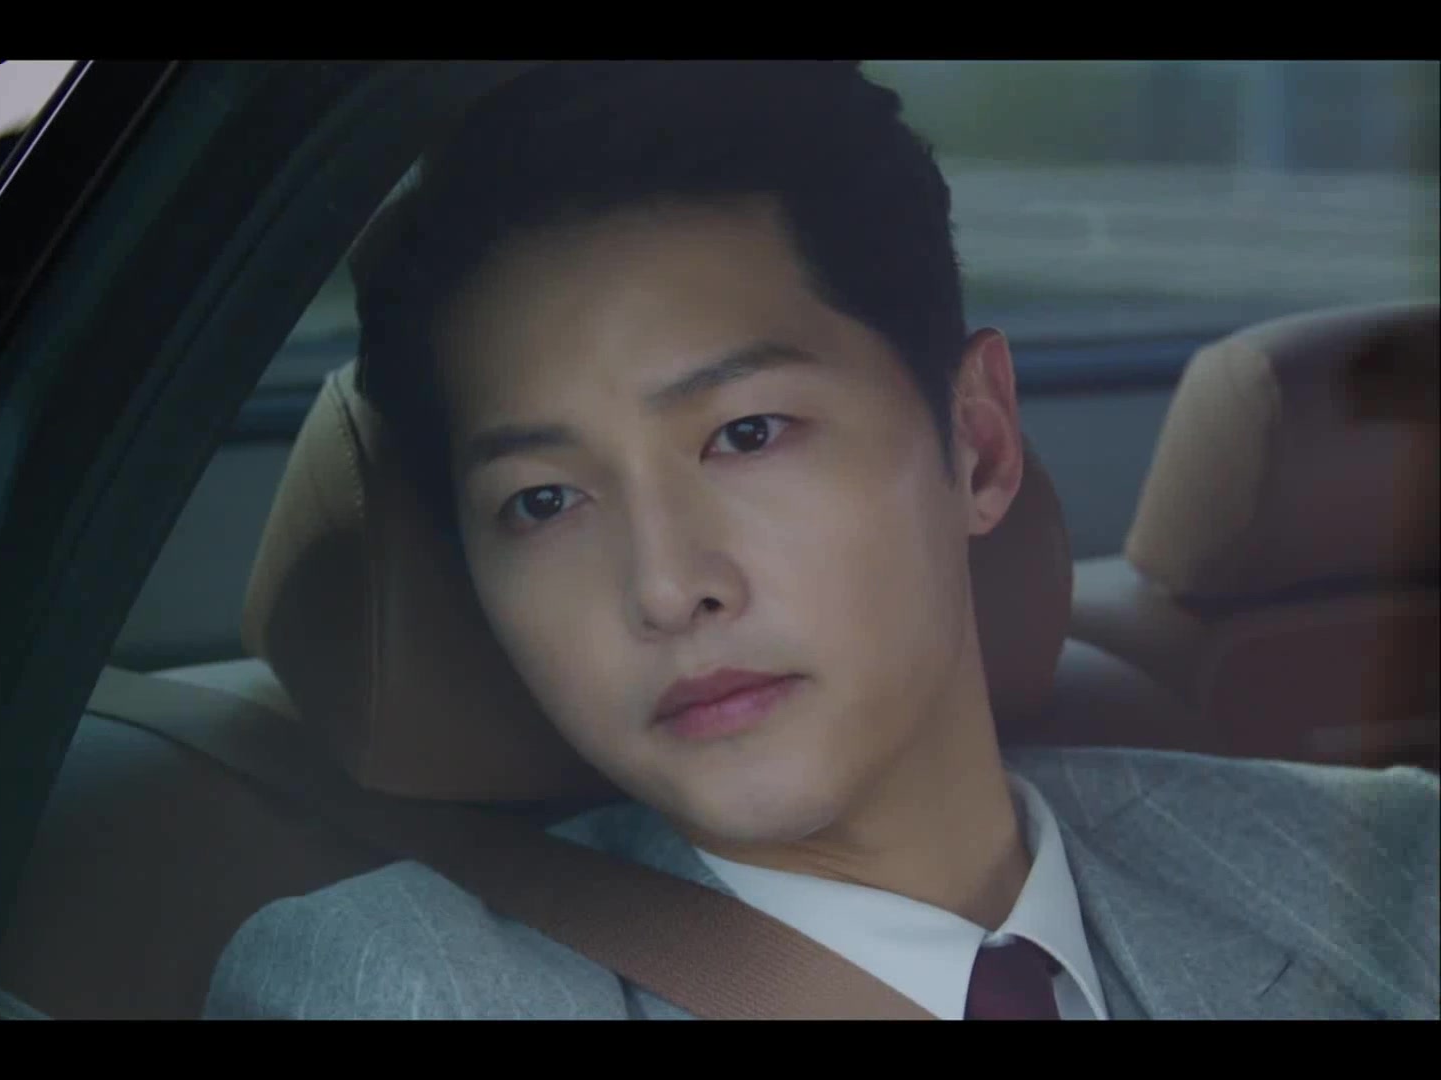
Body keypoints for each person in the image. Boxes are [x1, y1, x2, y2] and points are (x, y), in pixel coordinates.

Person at [202, 61, 1440, 1020]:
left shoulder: (1381, 866)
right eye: (543, 501)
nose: (668, 586)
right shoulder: (398, 986)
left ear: (978, 445)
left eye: (746, 433)